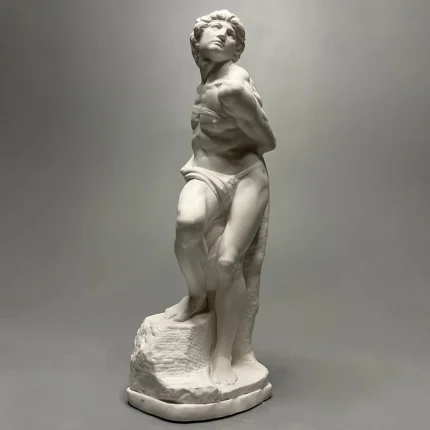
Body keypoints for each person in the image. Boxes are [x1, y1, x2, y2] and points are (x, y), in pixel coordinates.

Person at [164, 10, 276, 385]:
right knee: (187, 224)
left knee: (228, 261)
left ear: (236, 51)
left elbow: (267, 141)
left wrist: (243, 107)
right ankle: (196, 295)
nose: (223, 35)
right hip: (206, 172)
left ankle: (224, 352)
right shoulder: (205, 78)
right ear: (197, 40)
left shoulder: (234, 84)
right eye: (215, 28)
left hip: (245, 176)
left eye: (231, 35)